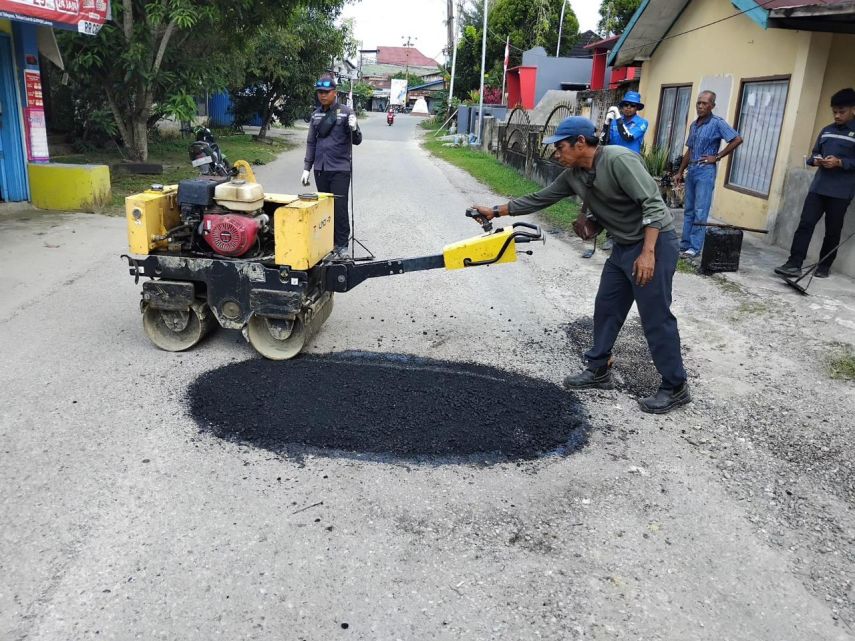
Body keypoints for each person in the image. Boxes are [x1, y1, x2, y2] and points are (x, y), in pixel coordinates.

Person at [471, 116, 691, 414]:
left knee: (655, 316)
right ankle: (599, 368)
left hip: (654, 243)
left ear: (581, 142)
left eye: (560, 147)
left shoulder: (619, 160)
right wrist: (495, 211)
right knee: (607, 306)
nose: (556, 154)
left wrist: (649, 253)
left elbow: (653, 204)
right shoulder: (575, 173)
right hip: (624, 245)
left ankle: (675, 386)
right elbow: (540, 198)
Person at [775, 88, 855, 279]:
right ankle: (793, 263)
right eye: (834, 111)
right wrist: (817, 160)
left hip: (841, 192)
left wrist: (840, 163)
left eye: (841, 111)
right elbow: (813, 154)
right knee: (805, 224)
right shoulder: (826, 130)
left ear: (853, 109)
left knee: (832, 231)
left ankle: (824, 266)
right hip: (818, 187)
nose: (837, 115)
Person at [672, 91, 743, 258]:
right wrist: (680, 171)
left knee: (700, 209)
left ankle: (695, 248)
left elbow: (737, 139)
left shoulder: (717, 123)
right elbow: (690, 149)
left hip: (706, 171)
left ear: (712, 106)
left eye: (705, 103)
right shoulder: (694, 125)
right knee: (688, 209)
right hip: (693, 169)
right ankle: (685, 244)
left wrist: (717, 157)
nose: (701, 106)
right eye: (699, 103)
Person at [302, 74, 362, 258]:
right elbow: (311, 142)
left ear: (334, 92)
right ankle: (329, 242)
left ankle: (342, 244)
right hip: (321, 169)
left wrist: (354, 128)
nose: (322, 95)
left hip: (340, 169)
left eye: (326, 92)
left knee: (340, 207)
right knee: (325, 208)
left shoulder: (346, 113)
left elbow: (357, 140)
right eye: (320, 92)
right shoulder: (316, 114)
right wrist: (307, 168)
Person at [598, 91, 650, 252]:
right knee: (610, 198)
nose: (628, 108)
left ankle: (624, 236)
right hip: (612, 163)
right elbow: (602, 139)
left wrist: (617, 119)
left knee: (628, 200)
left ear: (637, 108)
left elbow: (627, 137)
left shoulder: (642, 123)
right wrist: (607, 123)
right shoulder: (614, 122)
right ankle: (610, 235)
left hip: (631, 166)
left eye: (632, 106)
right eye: (625, 105)